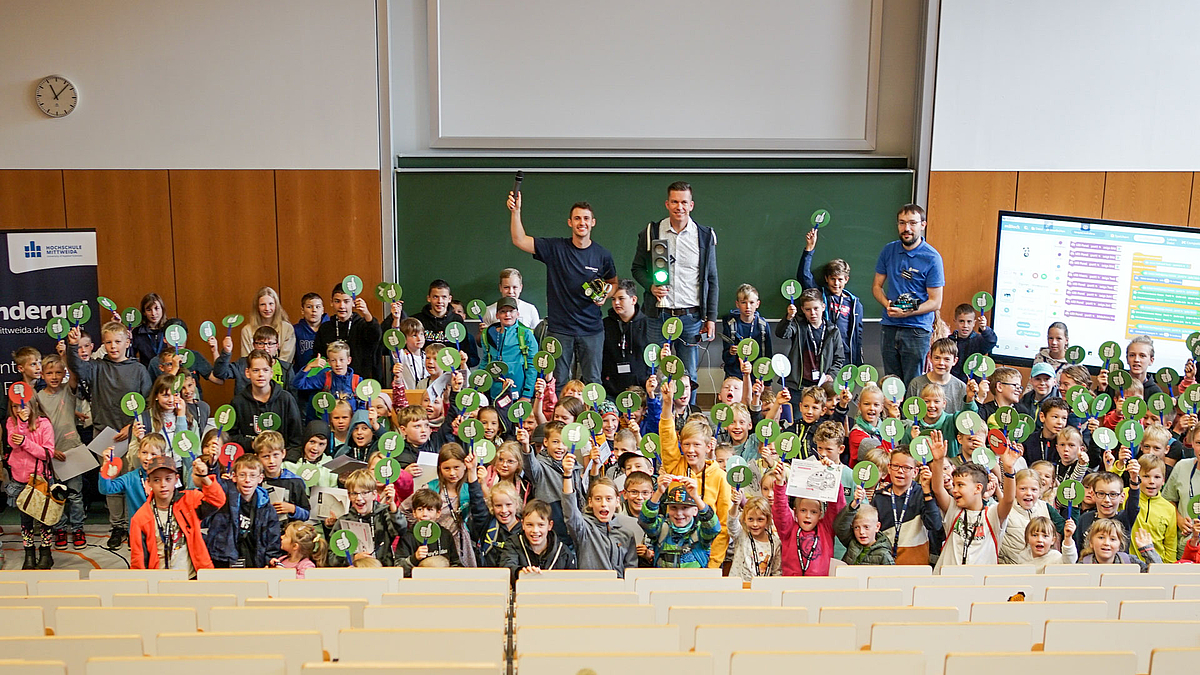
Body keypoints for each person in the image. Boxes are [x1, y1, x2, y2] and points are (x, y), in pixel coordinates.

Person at [508, 192, 615, 387]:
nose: (581, 222)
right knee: (557, 383)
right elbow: (519, 240)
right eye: (577, 218)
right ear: (570, 222)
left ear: (593, 222)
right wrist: (516, 211)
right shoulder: (555, 248)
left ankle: (592, 417)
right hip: (560, 330)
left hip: (592, 330)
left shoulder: (602, 255)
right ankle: (558, 418)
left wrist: (606, 295)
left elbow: (614, 283)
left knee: (593, 383)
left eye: (585, 218)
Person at [631, 181, 719, 404]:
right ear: (667, 204)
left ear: (691, 205)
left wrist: (711, 318)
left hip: (690, 317)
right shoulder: (652, 232)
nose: (679, 207)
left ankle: (688, 421)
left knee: (689, 373)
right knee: (659, 373)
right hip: (657, 317)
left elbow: (711, 279)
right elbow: (637, 268)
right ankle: (661, 419)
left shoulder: (704, 236)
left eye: (684, 202)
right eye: (674, 202)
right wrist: (650, 285)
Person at [67, 322, 153, 549]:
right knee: (111, 481)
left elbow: (147, 403)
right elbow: (77, 366)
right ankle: (118, 527)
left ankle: (136, 524)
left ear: (127, 342)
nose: (113, 346)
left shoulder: (139, 370)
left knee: (134, 482)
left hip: (132, 435)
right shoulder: (96, 367)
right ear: (103, 344)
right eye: (108, 342)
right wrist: (73, 346)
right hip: (104, 435)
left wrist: (132, 426)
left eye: (118, 341)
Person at [873, 204, 945, 384]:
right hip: (889, 326)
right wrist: (887, 304)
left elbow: (935, 302)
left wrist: (908, 311)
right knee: (891, 383)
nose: (907, 228)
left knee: (913, 384)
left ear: (923, 225)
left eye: (912, 223)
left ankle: (910, 414)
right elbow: (876, 286)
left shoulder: (932, 257)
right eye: (902, 223)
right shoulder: (888, 250)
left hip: (917, 329)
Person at [928, 430, 1019, 571]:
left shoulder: (992, 514)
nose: (955, 490)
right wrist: (938, 461)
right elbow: (938, 489)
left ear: (978, 488)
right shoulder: (953, 509)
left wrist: (1008, 469)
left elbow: (1008, 500)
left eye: (961, 485)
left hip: (980, 586)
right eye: (955, 484)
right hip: (947, 583)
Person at [130, 455, 225, 574]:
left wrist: (204, 477)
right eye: (156, 480)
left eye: (168, 479)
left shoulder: (189, 500)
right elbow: (138, 560)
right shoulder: (140, 518)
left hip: (193, 576)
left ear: (176, 479)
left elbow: (218, 500)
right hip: (160, 579)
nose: (163, 484)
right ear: (148, 483)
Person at [35, 355, 87, 551]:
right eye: (49, 373)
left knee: (75, 494)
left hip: (72, 450)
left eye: (58, 372)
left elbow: (74, 374)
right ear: (42, 375)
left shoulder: (68, 391)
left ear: (64, 373)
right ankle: (60, 529)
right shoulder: (38, 398)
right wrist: (50, 450)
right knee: (56, 494)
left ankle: (78, 528)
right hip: (50, 454)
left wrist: (65, 355)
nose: (54, 377)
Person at [560, 452, 637, 575]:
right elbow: (570, 511)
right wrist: (567, 475)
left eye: (609, 499)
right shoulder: (583, 529)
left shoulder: (626, 535)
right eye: (598, 499)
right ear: (590, 502)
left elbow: (631, 571)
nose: (603, 504)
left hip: (618, 591)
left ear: (617, 501)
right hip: (590, 589)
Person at [769, 456, 845, 576]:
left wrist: (833, 475)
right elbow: (780, 510)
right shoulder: (788, 529)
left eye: (813, 512)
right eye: (803, 510)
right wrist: (779, 483)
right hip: (792, 586)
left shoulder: (826, 529)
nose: (808, 516)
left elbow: (837, 508)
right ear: (795, 512)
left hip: (818, 587)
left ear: (820, 514)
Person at [203, 454, 283, 568]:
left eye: (253, 476)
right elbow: (214, 488)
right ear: (234, 477)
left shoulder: (267, 509)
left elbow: (273, 540)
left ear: (260, 478)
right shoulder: (224, 498)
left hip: (255, 562)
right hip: (223, 560)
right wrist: (213, 466)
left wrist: (269, 560)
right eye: (242, 475)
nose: (247, 480)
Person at [799, 229, 864, 366]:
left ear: (846, 279)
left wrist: (857, 362)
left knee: (844, 388)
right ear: (826, 279)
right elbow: (804, 276)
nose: (836, 283)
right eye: (833, 279)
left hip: (845, 355)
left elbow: (857, 335)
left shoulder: (854, 303)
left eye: (840, 279)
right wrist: (809, 249)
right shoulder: (820, 296)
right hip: (824, 352)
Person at [6, 394, 56, 569]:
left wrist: (27, 442)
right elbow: (13, 443)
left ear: (33, 405)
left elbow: (47, 453)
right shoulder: (11, 423)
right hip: (20, 480)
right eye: (15, 407)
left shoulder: (45, 424)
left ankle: (46, 552)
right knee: (25, 519)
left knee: (44, 519)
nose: (19, 410)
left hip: (41, 479)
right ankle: (29, 553)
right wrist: (21, 424)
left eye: (23, 406)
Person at [870, 449, 942, 565]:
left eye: (906, 468)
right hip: (886, 564)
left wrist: (927, 492)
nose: (900, 471)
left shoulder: (921, 494)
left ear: (915, 472)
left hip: (916, 564)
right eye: (895, 466)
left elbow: (935, 525)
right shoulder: (879, 497)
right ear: (889, 468)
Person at [230, 349, 304, 452]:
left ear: (271, 373)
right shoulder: (238, 402)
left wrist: (285, 459)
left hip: (281, 461)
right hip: (250, 461)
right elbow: (231, 437)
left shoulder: (286, 399)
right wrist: (252, 444)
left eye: (265, 370)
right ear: (247, 373)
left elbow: (296, 440)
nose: (261, 374)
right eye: (255, 370)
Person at [639, 476, 721, 568]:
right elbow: (645, 521)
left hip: (694, 581)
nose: (679, 513)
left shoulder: (700, 532)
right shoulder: (661, 528)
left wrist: (696, 497)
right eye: (673, 508)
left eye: (685, 508)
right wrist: (659, 492)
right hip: (664, 581)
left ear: (695, 510)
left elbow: (714, 528)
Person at [777, 288, 845, 396]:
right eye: (808, 309)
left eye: (816, 308)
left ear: (823, 307)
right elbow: (781, 333)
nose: (812, 313)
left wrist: (832, 374)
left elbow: (839, 358)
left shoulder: (833, 330)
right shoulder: (798, 325)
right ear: (803, 310)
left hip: (822, 386)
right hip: (799, 386)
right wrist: (789, 317)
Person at [313, 282, 383, 381]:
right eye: (337, 301)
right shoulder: (325, 328)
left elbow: (376, 336)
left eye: (346, 301)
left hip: (360, 381)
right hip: (332, 382)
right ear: (331, 302)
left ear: (353, 302)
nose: (342, 306)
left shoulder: (362, 325)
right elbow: (318, 354)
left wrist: (366, 313)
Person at [601, 279, 654, 397]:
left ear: (633, 300)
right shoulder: (605, 325)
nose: (616, 303)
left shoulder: (648, 325)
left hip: (641, 390)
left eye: (621, 298)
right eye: (613, 299)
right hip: (611, 390)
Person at [481, 296, 539, 403]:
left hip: (519, 393)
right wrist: (480, 386)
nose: (507, 315)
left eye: (511, 311)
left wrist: (527, 394)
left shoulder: (525, 335)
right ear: (497, 315)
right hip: (495, 393)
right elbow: (485, 361)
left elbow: (532, 366)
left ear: (517, 314)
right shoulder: (488, 334)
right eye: (503, 311)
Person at [500, 499, 576, 580]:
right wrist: (520, 572)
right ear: (522, 524)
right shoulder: (513, 544)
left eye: (541, 525)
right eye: (529, 525)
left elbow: (571, 580)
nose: (535, 530)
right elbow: (507, 567)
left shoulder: (563, 552)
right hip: (523, 591)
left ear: (550, 525)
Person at [214, 326, 295, 398]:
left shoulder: (286, 368)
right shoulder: (242, 364)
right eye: (260, 343)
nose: (265, 348)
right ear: (254, 345)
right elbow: (220, 373)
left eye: (270, 344)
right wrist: (226, 352)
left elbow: (293, 397)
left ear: (277, 346)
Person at [907, 338, 978, 416]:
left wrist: (970, 399)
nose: (941, 363)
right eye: (937, 358)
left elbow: (968, 417)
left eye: (947, 359)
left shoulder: (961, 387)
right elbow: (908, 416)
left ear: (955, 361)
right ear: (930, 358)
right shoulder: (916, 384)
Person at [397, 487, 461, 573]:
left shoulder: (445, 534)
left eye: (430, 509)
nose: (425, 514)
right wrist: (414, 558)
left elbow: (455, 563)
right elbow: (398, 568)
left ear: (438, 513)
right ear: (414, 513)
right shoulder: (408, 537)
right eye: (420, 509)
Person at [254, 431, 311, 524]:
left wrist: (293, 509)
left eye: (275, 455)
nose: (271, 461)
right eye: (265, 456)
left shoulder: (295, 481)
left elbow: (306, 514)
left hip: (287, 533)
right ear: (257, 457)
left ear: (283, 453)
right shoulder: (254, 481)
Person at [721, 284, 773, 379]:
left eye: (751, 302)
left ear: (757, 304)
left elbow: (768, 355)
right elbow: (726, 359)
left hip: (756, 375)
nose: (748, 306)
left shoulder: (763, 326)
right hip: (735, 375)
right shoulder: (731, 325)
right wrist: (731, 353)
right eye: (743, 302)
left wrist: (767, 382)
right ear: (737, 304)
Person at [835, 488, 895, 565]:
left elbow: (890, 576)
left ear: (877, 527)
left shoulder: (883, 554)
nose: (861, 532)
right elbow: (840, 526)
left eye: (866, 527)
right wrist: (854, 505)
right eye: (856, 527)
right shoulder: (853, 543)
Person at [727, 496, 780, 580]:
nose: (755, 524)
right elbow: (731, 523)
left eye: (760, 520)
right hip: (737, 587)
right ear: (744, 519)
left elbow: (777, 571)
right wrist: (736, 505)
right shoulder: (742, 535)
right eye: (750, 519)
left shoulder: (775, 543)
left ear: (768, 520)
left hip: (761, 589)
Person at [240, 287, 296, 363]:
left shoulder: (287, 328)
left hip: (280, 372)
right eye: (262, 304)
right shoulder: (247, 330)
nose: (267, 308)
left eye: (271, 304)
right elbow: (246, 359)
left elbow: (286, 360)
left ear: (276, 305)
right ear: (257, 307)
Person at [1078, 518, 1160, 571]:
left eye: (1113, 539)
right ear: (1091, 543)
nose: (1106, 543)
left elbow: (1158, 575)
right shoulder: (1082, 566)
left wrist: (1148, 550)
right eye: (1101, 538)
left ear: (1119, 545)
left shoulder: (1130, 561)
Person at [949, 303, 997, 382]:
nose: (965, 325)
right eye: (961, 321)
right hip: (953, 382)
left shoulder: (978, 340)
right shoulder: (950, 341)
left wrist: (984, 329)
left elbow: (991, 341)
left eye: (969, 322)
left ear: (974, 323)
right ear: (955, 321)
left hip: (973, 383)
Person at [293, 292, 327, 367]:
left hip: (326, 374)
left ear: (323, 310)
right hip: (303, 373)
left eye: (317, 307)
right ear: (302, 310)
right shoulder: (295, 330)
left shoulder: (331, 328)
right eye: (309, 307)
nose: (314, 310)